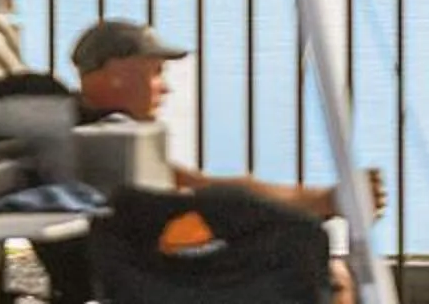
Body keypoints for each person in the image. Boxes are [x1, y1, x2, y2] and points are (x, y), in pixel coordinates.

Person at [29, 20, 384, 303]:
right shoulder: (105, 138)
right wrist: (324, 202)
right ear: (116, 71)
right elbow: (205, 192)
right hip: (144, 276)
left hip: (139, 268)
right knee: (329, 276)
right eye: (155, 72)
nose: (164, 88)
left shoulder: (80, 129)